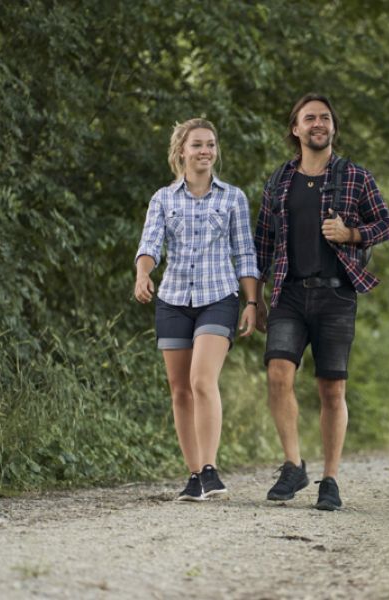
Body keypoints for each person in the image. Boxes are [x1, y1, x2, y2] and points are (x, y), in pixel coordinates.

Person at [254, 93, 389, 510]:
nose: (319, 123)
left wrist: (352, 234)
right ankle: (293, 465)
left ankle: (330, 479)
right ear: (295, 128)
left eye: (325, 118)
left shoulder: (356, 177)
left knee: (332, 389)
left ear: (333, 127)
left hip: (336, 294)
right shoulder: (279, 181)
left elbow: (385, 224)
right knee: (278, 374)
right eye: (310, 117)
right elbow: (262, 244)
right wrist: (254, 299)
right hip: (288, 293)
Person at [134, 118, 259, 501]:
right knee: (180, 390)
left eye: (211, 144)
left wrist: (252, 301)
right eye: (197, 144)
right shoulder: (163, 199)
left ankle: (209, 469)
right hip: (173, 300)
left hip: (219, 298)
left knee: (202, 381)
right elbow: (150, 244)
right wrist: (143, 274)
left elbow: (245, 253)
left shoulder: (233, 197)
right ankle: (193, 476)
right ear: (181, 151)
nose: (205, 151)